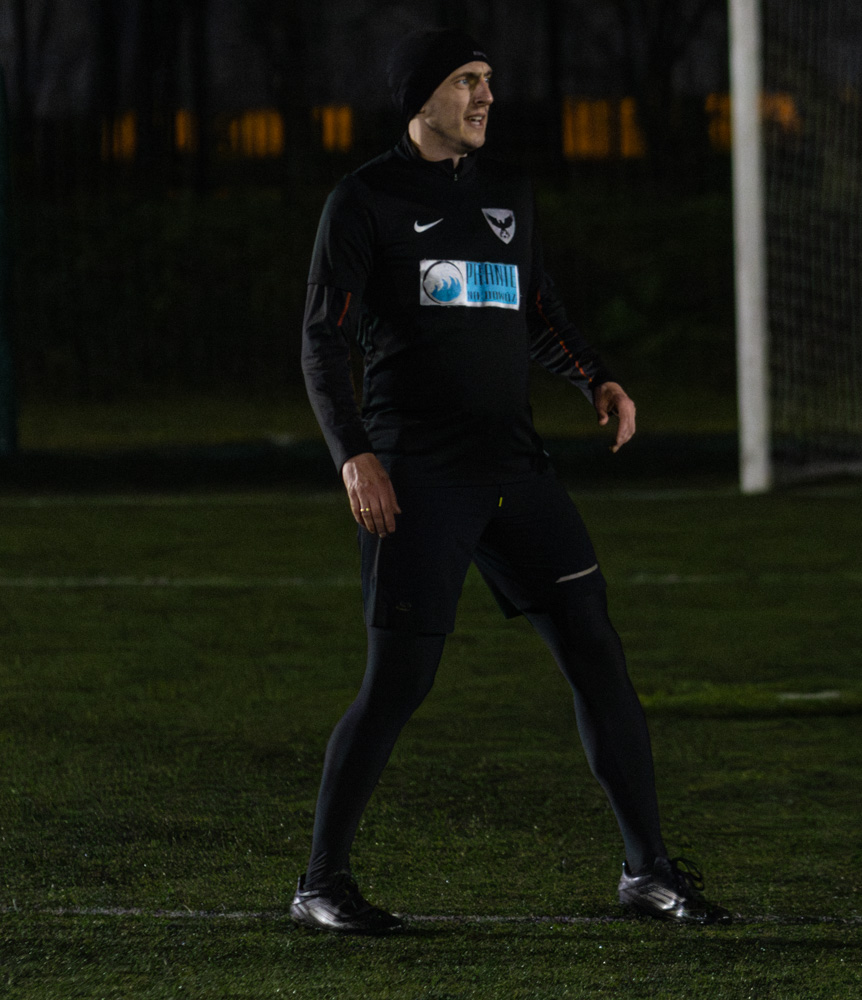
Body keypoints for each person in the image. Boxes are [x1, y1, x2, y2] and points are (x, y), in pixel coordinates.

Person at [292, 28, 726, 933]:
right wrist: (354, 454)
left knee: (597, 651)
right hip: (419, 476)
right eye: (466, 81)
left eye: (488, 80)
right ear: (421, 98)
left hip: (517, 469)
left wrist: (595, 376)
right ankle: (320, 884)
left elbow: (537, 311)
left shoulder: (507, 195)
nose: (485, 96)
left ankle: (647, 871)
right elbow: (321, 342)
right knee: (399, 681)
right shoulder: (364, 200)